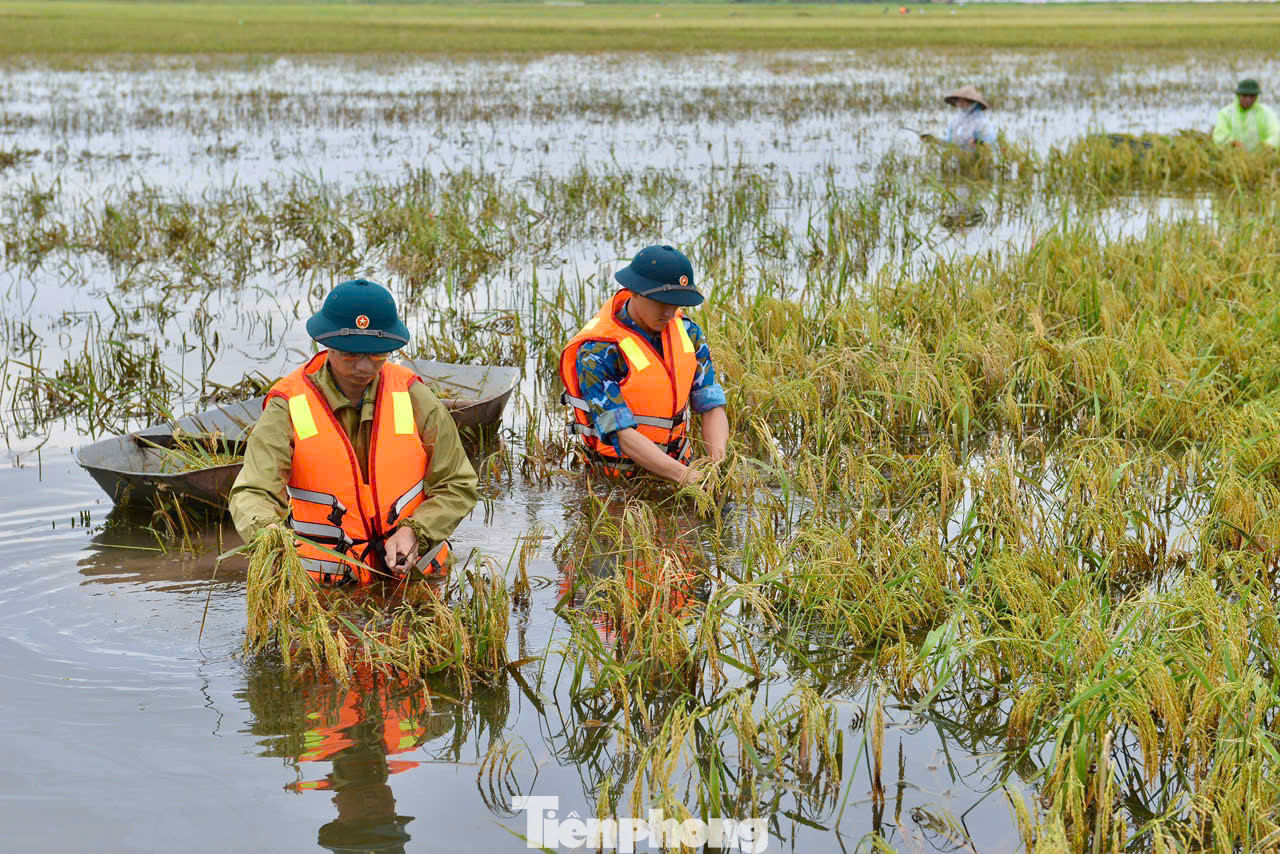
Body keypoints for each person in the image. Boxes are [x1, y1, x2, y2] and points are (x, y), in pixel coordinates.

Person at [229, 278, 478, 584]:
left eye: (377, 354)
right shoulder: (288, 406)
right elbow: (253, 492)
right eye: (350, 354)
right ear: (327, 345)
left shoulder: (412, 395)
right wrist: (267, 532)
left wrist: (416, 531)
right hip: (328, 591)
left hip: (417, 580)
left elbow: (457, 483)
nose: (364, 367)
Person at [558, 245, 728, 485]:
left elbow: (711, 406)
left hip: (681, 469)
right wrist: (686, 477)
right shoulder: (598, 351)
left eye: (677, 303)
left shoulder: (689, 333)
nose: (669, 312)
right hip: (619, 485)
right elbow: (621, 433)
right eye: (662, 302)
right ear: (634, 292)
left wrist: (716, 469)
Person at [1212, 78, 1280, 152]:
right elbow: (1219, 135)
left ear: (1256, 97)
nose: (1248, 99)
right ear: (1238, 95)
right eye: (1244, 95)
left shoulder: (1266, 113)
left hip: (1261, 156)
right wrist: (1232, 143)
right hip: (1233, 156)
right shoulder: (1226, 113)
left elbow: (1275, 134)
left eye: (1252, 96)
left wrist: (1267, 146)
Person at [942, 85, 995, 152]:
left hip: (975, 156)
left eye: (963, 102)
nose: (960, 104)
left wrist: (977, 142)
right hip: (957, 155)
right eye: (958, 101)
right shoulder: (955, 120)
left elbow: (989, 144)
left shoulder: (982, 122)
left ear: (973, 102)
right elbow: (949, 140)